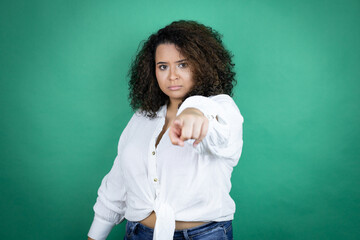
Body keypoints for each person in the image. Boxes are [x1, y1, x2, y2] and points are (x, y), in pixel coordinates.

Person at [87, 20, 244, 240]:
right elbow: (119, 181)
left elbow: (217, 128)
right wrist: (95, 235)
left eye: (183, 64)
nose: (172, 75)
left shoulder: (221, 108)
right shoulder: (142, 118)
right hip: (137, 233)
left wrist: (195, 115)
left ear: (202, 65)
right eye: (163, 66)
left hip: (203, 235)